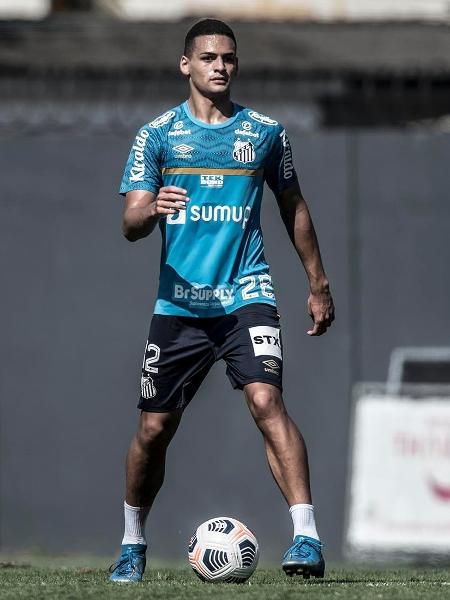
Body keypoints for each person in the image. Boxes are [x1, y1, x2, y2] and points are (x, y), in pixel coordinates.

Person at [109, 18, 335, 583]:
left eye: (228, 58)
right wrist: (151, 207)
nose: (220, 66)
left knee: (266, 401)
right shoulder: (157, 135)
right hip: (180, 307)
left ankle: (306, 537)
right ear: (185, 64)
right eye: (208, 56)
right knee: (153, 430)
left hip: (246, 296)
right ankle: (132, 543)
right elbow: (130, 222)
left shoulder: (264, 132)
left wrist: (317, 283)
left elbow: (294, 205)